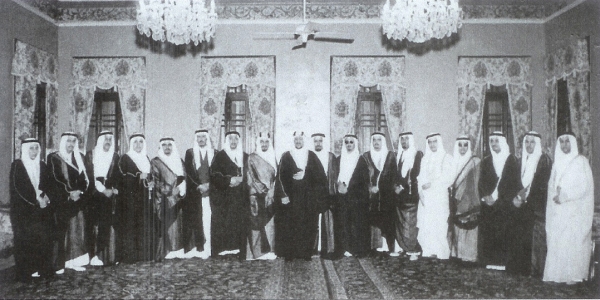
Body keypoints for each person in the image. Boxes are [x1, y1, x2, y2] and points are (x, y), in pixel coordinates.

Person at [544, 132, 594, 284]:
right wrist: (556, 196)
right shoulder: (556, 163)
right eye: (562, 142)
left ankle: (573, 276)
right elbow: (551, 186)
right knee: (558, 243)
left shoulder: (581, 162)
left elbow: (584, 187)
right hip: (558, 211)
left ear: (573, 143)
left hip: (575, 211)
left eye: (567, 141)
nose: (565, 145)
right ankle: (556, 276)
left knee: (572, 244)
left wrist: (565, 196)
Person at [275, 131, 328, 260]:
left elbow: (321, 177)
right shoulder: (286, 156)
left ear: (304, 141)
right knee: (290, 225)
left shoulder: (311, 156)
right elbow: (280, 177)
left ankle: (306, 253)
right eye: (296, 139)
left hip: (308, 200)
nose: (298, 141)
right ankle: (290, 254)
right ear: (293, 141)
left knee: (308, 225)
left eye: (300, 139)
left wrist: (306, 174)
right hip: (291, 199)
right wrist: (283, 195)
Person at [507, 131, 552, 276]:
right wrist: (515, 198)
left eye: (532, 142)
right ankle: (519, 269)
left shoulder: (544, 161)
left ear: (537, 144)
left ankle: (532, 271)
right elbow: (513, 183)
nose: (529, 145)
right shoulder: (520, 161)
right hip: (520, 207)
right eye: (527, 142)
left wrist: (527, 200)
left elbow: (543, 187)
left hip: (535, 209)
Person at [9, 138, 53, 281]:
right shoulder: (17, 165)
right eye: (31, 148)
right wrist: (36, 200)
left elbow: (48, 183)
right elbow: (18, 189)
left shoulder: (42, 165)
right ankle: (26, 272)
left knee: (42, 239)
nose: (34, 151)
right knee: (25, 240)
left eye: (36, 148)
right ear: (25, 149)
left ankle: (41, 269)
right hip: (23, 211)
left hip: (40, 209)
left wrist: (45, 196)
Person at [47, 132, 90, 273]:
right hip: (62, 200)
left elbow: (85, 179)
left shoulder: (79, 158)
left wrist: (80, 192)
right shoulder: (54, 158)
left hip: (78, 199)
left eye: (73, 141)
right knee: (62, 232)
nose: (71, 144)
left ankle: (75, 261)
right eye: (68, 141)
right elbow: (55, 178)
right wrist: (69, 193)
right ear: (63, 142)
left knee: (77, 230)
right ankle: (60, 263)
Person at [478, 131, 521, 270]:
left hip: (505, 205)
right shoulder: (486, 161)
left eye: (497, 141)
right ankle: (490, 261)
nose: (494, 144)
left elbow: (514, 183)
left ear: (502, 142)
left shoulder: (511, 160)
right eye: (492, 141)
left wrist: (499, 197)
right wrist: (486, 196)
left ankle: (504, 263)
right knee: (490, 234)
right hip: (489, 205)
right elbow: (481, 182)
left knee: (504, 234)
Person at [84, 131, 120, 266]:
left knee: (107, 224)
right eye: (106, 139)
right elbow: (89, 175)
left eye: (110, 139)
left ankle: (105, 256)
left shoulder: (115, 156)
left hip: (110, 195)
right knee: (93, 225)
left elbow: (117, 175)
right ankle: (92, 255)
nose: (108, 142)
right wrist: (103, 189)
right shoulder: (90, 155)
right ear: (100, 141)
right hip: (94, 194)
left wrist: (113, 189)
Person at [210, 131, 249, 257]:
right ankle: (224, 250)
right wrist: (229, 180)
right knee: (224, 223)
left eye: (235, 139)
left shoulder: (245, 156)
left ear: (239, 141)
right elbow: (214, 175)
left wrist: (242, 179)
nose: (233, 141)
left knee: (239, 222)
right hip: (224, 197)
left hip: (240, 197)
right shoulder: (219, 156)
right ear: (226, 141)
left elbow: (250, 174)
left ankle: (239, 249)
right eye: (230, 139)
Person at [118, 133, 154, 263]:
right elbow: (123, 176)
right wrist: (139, 175)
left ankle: (143, 255)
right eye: (135, 142)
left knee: (144, 225)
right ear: (131, 144)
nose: (138, 145)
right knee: (130, 226)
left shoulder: (146, 158)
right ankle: (130, 257)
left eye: (140, 142)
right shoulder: (125, 158)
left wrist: (151, 182)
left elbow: (150, 175)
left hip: (144, 197)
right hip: (130, 198)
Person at [417, 133, 453, 260]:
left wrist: (431, 184)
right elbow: (420, 177)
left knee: (440, 223)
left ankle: (441, 252)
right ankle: (428, 250)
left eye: (434, 142)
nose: (432, 145)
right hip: (426, 197)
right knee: (427, 223)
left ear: (439, 142)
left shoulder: (446, 158)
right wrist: (420, 192)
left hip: (439, 196)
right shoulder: (425, 159)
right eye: (430, 142)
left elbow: (448, 178)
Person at [362, 132, 398, 255]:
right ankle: (373, 246)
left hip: (387, 196)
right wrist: (370, 187)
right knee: (372, 220)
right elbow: (361, 176)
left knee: (388, 219)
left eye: (379, 140)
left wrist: (386, 188)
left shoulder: (391, 156)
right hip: (371, 195)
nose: (376, 143)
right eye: (374, 140)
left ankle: (389, 247)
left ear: (383, 142)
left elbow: (394, 176)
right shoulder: (365, 156)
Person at [151, 137, 187, 260]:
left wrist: (182, 190)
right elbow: (156, 182)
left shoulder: (179, 160)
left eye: (169, 145)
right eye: (164, 145)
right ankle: (168, 250)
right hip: (164, 199)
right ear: (160, 147)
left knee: (179, 225)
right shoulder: (155, 162)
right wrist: (171, 191)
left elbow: (185, 177)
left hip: (179, 198)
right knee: (168, 224)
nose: (167, 147)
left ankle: (179, 249)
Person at [335, 134, 370, 257]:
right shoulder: (339, 159)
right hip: (341, 197)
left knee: (356, 224)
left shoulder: (361, 160)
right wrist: (339, 186)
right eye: (347, 142)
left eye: (351, 142)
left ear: (355, 144)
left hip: (357, 198)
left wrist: (350, 189)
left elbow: (365, 181)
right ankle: (344, 248)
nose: (349, 145)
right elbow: (334, 177)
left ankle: (356, 249)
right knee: (343, 223)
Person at [246, 132, 278, 260]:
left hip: (271, 195)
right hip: (256, 195)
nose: (264, 145)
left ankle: (270, 250)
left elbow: (276, 177)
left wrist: (273, 191)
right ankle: (257, 252)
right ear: (258, 143)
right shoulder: (252, 158)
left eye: (266, 142)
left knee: (270, 223)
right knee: (256, 223)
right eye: (262, 142)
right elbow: (251, 178)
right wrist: (266, 191)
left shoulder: (273, 157)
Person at [448, 136, 480, 262]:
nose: (462, 148)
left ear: (469, 146)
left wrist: (465, 198)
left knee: (468, 226)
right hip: (455, 199)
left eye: (465, 145)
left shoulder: (474, 162)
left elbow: (474, 183)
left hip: (469, 198)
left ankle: (469, 256)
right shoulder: (454, 160)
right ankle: (457, 254)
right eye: (460, 145)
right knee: (457, 226)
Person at [183, 129, 215, 259]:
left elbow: (217, 172)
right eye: (199, 137)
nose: (201, 139)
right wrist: (199, 186)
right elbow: (188, 172)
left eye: (203, 137)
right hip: (196, 192)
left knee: (210, 219)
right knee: (199, 219)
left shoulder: (215, 153)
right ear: (196, 139)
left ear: (207, 138)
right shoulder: (190, 153)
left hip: (212, 192)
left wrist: (209, 186)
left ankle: (211, 247)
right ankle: (200, 247)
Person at [394, 132, 423, 261]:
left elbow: (416, 173)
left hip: (411, 194)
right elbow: (397, 173)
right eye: (402, 139)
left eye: (406, 139)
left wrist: (403, 186)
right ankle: (404, 247)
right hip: (400, 195)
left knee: (410, 222)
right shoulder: (400, 155)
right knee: (401, 222)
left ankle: (413, 249)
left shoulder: (417, 154)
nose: (404, 141)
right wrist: (396, 186)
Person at [311, 133, 340, 259]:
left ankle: (327, 249)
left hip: (327, 193)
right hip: (312, 194)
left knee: (328, 222)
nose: (318, 143)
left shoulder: (330, 157)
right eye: (316, 141)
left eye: (320, 141)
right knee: (312, 221)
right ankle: (312, 248)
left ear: (323, 142)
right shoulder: (309, 156)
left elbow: (334, 176)